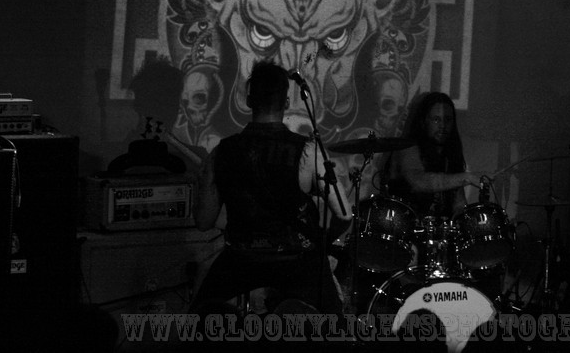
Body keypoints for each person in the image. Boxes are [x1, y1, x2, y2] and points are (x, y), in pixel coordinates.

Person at [191, 61, 352, 317]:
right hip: (298, 261)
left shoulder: (222, 152)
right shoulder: (308, 151)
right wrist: (322, 242)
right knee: (333, 325)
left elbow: (203, 221)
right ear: (286, 102)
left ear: (249, 101)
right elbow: (344, 214)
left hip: (242, 259)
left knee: (199, 320)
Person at [382, 91, 488, 218]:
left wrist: (466, 218)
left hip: (439, 228)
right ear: (424, 121)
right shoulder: (407, 148)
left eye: (447, 120)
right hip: (403, 225)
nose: (443, 126)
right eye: (436, 120)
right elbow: (418, 182)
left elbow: (459, 204)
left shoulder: (450, 153)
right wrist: (467, 178)